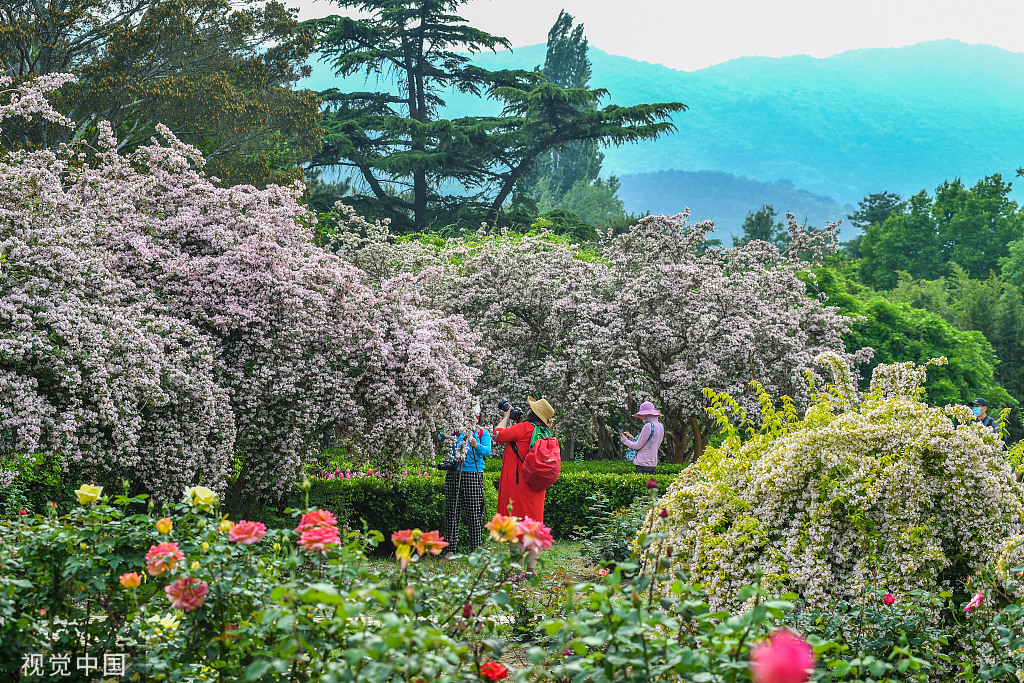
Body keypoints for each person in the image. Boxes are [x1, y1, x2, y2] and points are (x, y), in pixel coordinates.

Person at [492, 396, 555, 575]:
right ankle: (531, 570)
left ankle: (517, 572)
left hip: (518, 485)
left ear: (532, 413)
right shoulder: (545, 432)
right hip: (536, 487)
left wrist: (506, 417)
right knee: (533, 528)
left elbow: (498, 435)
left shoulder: (524, 428)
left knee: (517, 528)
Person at [443, 406, 491, 559]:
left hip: (473, 473)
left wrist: (476, 445)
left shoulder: (482, 433)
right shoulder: (455, 431)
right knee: (452, 512)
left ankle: (475, 550)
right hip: (454, 472)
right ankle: (450, 550)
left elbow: (487, 451)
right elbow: (442, 434)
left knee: (474, 513)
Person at [620, 401, 664, 474]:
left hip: (642, 463)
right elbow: (647, 443)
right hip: (653, 462)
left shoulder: (648, 426)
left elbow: (637, 446)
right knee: (650, 481)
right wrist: (631, 438)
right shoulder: (660, 426)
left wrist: (625, 440)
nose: (642, 418)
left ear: (646, 415)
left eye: (642, 416)